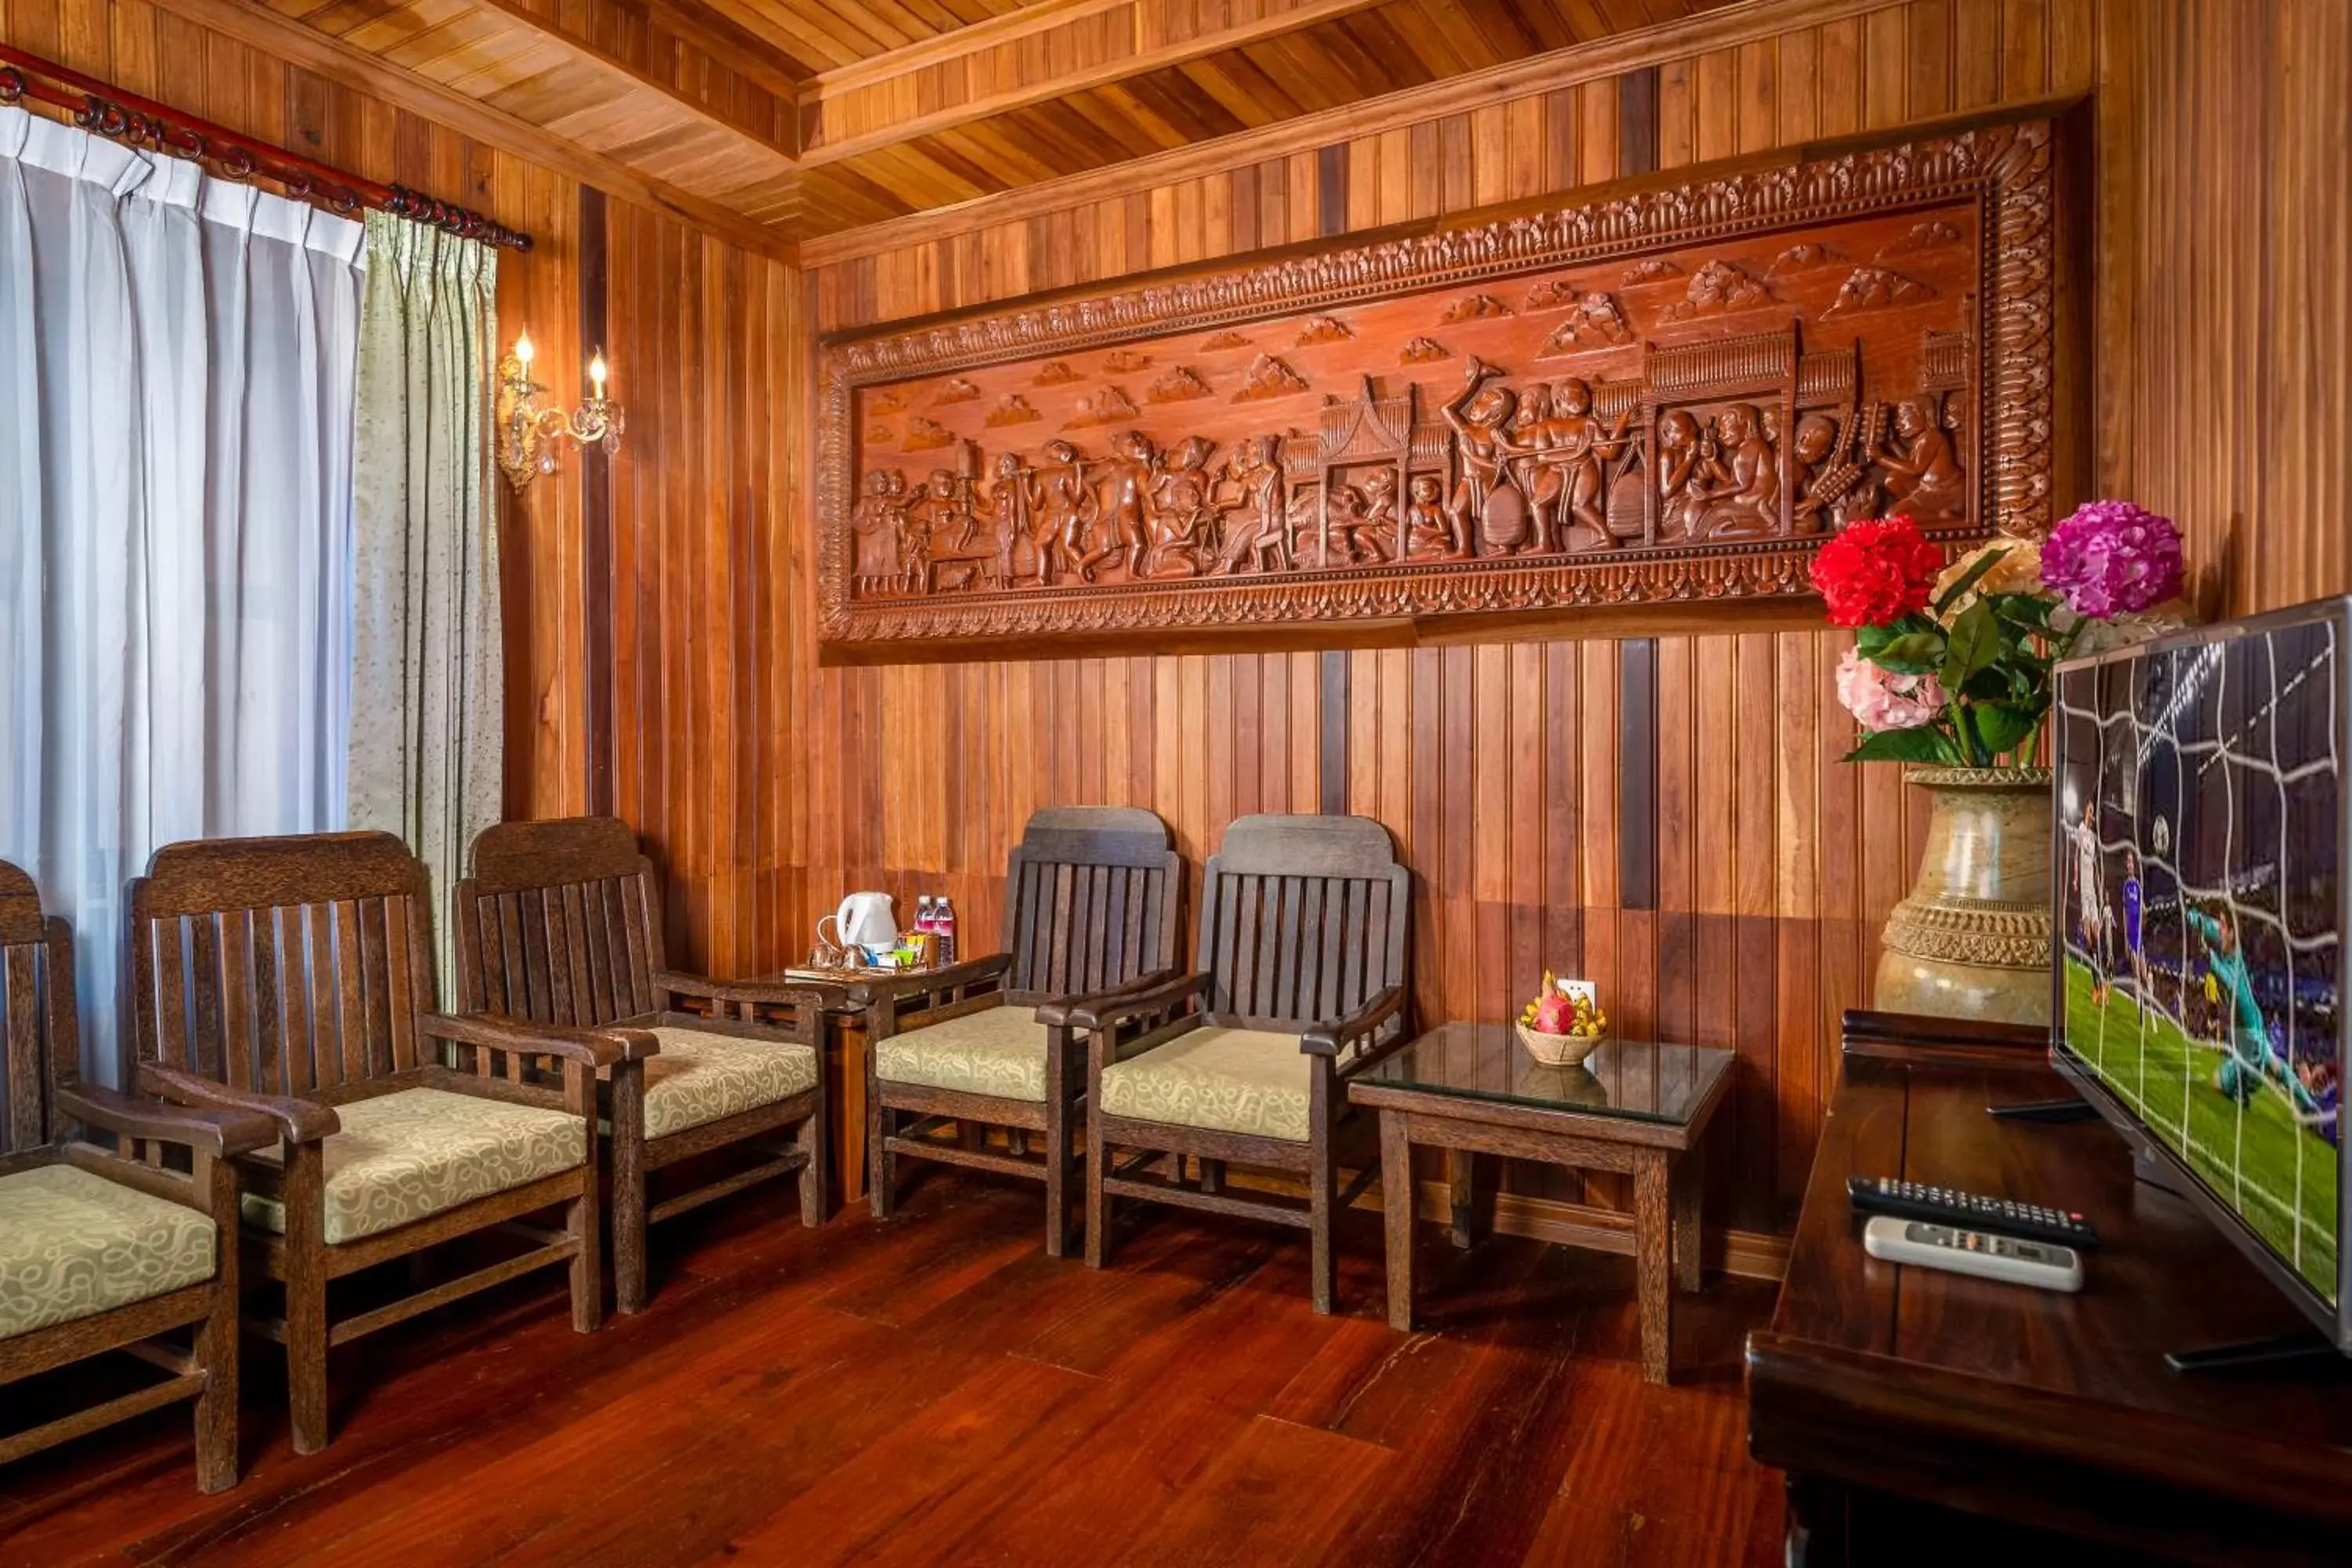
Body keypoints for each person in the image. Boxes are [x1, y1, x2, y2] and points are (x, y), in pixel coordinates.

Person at [2073, 802, 2108, 1004]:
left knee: (2097, 934)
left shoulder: (2094, 839)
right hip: (2084, 892)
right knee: (2088, 938)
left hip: (2093, 893)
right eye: (2089, 810)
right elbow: (2077, 855)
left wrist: (2100, 887)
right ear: (2086, 812)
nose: (2091, 814)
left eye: (2093, 812)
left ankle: (2101, 984)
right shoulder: (2081, 829)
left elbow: (2094, 865)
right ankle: (2097, 985)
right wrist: (2076, 878)